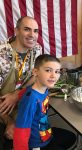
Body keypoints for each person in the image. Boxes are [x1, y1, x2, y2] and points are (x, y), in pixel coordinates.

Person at [14, 54, 76, 150]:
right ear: (35, 72)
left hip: (46, 134)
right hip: (37, 145)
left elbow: (22, 93)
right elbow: (21, 131)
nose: (53, 76)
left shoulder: (43, 89)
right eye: (48, 70)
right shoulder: (31, 99)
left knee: (71, 137)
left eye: (57, 72)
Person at [0, 16, 42, 149]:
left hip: (24, 105)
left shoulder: (37, 49)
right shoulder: (2, 55)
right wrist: (9, 121)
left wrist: (16, 94)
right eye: (27, 29)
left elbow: (36, 76)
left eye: (35, 31)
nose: (32, 35)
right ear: (16, 31)